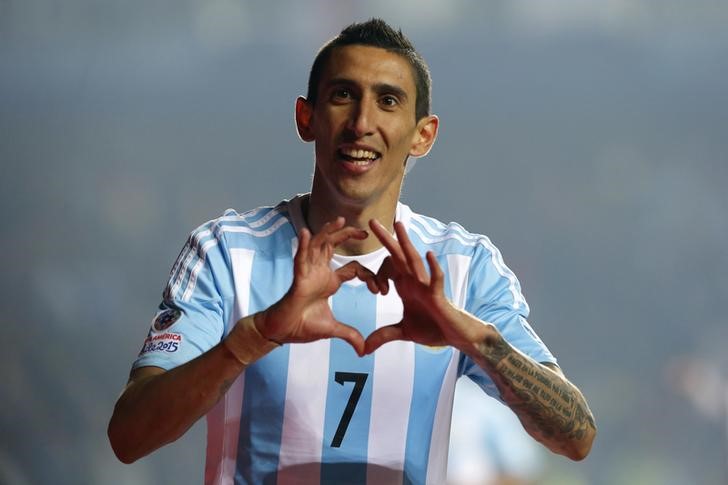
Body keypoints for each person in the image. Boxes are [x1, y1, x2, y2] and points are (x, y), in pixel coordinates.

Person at [108, 18, 596, 485]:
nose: (361, 122)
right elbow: (129, 436)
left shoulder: (465, 267)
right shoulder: (224, 251)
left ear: (422, 135)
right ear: (307, 117)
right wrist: (256, 336)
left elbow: (577, 437)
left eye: (388, 101)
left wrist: (473, 339)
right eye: (344, 95)